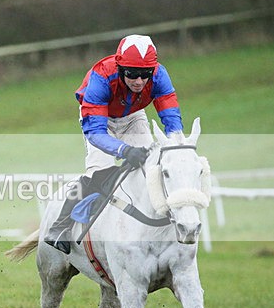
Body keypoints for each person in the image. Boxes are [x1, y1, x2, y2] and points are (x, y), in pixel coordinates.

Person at [45, 34, 183, 253]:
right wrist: (124, 150)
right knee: (101, 173)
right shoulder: (101, 76)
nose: (139, 81)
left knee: (153, 168)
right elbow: (95, 132)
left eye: (145, 74)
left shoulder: (159, 75)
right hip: (100, 120)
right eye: (132, 74)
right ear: (120, 68)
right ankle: (60, 227)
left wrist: (177, 145)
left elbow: (171, 118)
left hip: (133, 116)